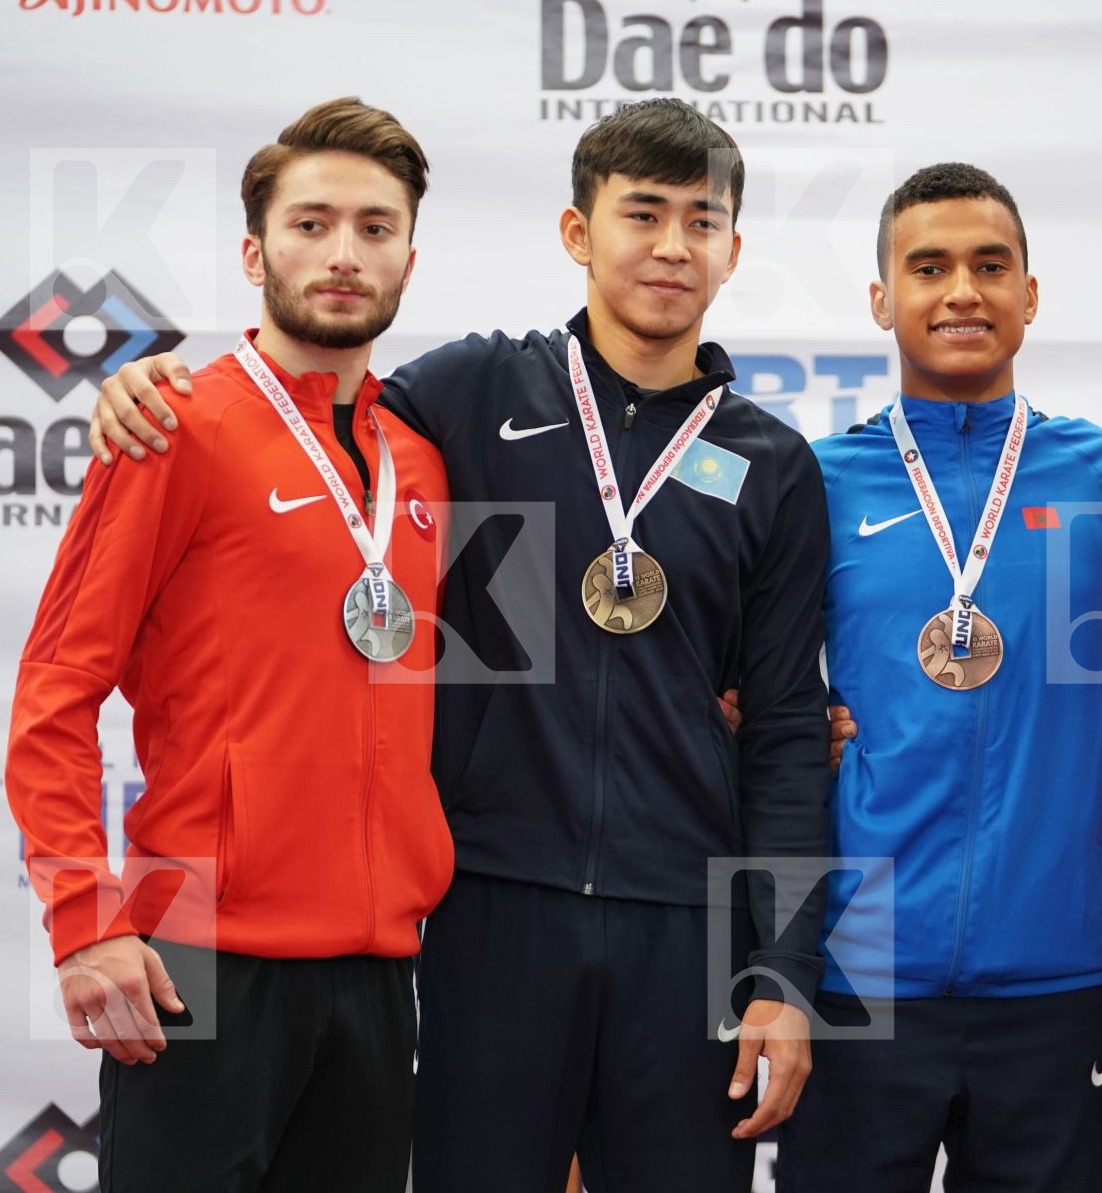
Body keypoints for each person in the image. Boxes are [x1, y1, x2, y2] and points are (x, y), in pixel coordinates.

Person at [88, 98, 830, 1193]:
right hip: (488, 910)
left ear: (733, 249)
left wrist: (782, 972)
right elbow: (305, 397)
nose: (672, 246)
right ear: (579, 234)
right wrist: (149, 382)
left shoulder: (772, 464)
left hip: (686, 926)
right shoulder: (475, 394)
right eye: (642, 214)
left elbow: (786, 734)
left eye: (702, 220)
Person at [7, 97, 452, 1192]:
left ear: (409, 257)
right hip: (198, 960)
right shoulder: (174, 426)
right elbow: (57, 690)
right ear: (254, 249)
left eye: (374, 228)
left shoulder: (425, 459)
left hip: (380, 968)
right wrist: (83, 918)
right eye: (310, 224)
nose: (342, 254)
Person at [781, 163, 1102, 1192]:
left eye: (989, 265)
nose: (961, 290)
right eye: (928, 267)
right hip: (857, 971)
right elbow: (746, 700)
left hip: (1051, 975)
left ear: (1030, 295)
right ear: (882, 298)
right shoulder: (817, 481)